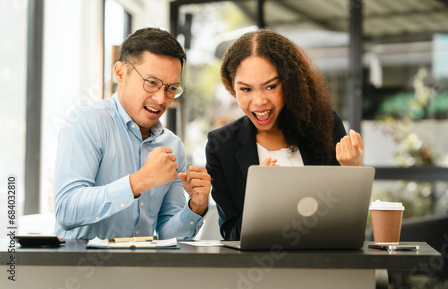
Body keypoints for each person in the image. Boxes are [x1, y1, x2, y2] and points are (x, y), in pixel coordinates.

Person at [206, 29, 364, 241]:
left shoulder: (324, 125)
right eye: (246, 89)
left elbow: (347, 225)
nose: (259, 101)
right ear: (232, 87)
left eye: (270, 86)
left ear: (290, 83)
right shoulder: (221, 146)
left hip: (322, 263)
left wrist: (352, 172)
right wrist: (260, 195)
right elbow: (231, 235)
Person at [54, 27, 211, 240]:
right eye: (152, 83)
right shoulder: (86, 122)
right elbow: (67, 209)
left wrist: (197, 205)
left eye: (171, 88)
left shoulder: (173, 146)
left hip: (141, 270)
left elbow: (169, 234)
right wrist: (139, 181)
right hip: (77, 269)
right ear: (120, 73)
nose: (161, 99)